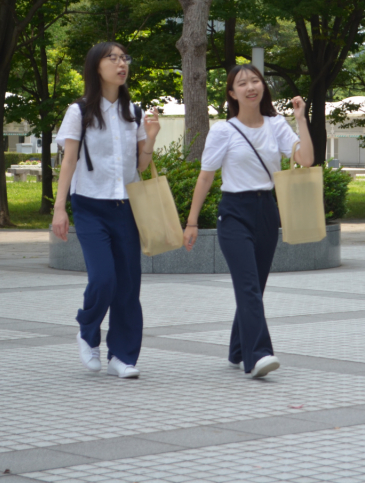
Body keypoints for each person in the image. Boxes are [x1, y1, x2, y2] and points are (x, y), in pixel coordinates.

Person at [182, 64, 314, 378]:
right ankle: (258, 355)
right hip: (234, 213)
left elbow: (306, 160)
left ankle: (237, 349)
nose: (250, 87)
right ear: (232, 93)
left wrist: (300, 119)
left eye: (255, 81)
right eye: (242, 83)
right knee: (249, 286)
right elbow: (206, 177)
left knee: (256, 286)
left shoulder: (276, 124)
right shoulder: (223, 130)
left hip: (267, 210)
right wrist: (191, 222)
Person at [52, 41, 161, 379]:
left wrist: (151, 139)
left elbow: (141, 165)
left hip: (126, 207)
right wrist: (59, 208)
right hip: (89, 207)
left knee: (128, 285)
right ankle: (87, 330)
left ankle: (123, 355)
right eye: (111, 58)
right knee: (103, 279)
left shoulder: (135, 113)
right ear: (95, 67)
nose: (120, 63)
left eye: (123, 58)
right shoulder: (80, 110)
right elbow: (69, 160)